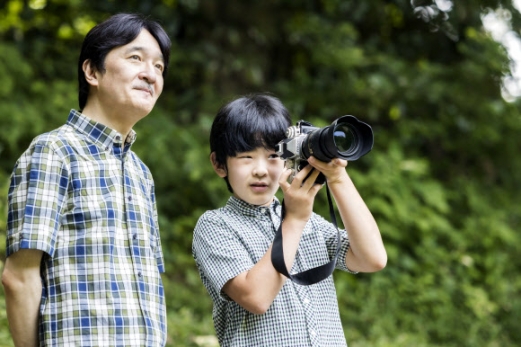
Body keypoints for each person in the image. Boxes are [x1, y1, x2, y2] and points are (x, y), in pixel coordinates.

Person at [2, 13, 171, 347]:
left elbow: (149, 287)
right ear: (92, 71)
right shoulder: (54, 152)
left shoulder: (140, 173)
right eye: (135, 57)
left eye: (159, 66)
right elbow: (19, 277)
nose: (150, 74)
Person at [192, 94, 387, 346]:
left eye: (273, 156)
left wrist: (337, 178)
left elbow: (373, 258)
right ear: (219, 164)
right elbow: (256, 297)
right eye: (246, 157)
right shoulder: (216, 226)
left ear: (288, 157)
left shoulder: (311, 222)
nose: (261, 169)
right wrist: (293, 220)